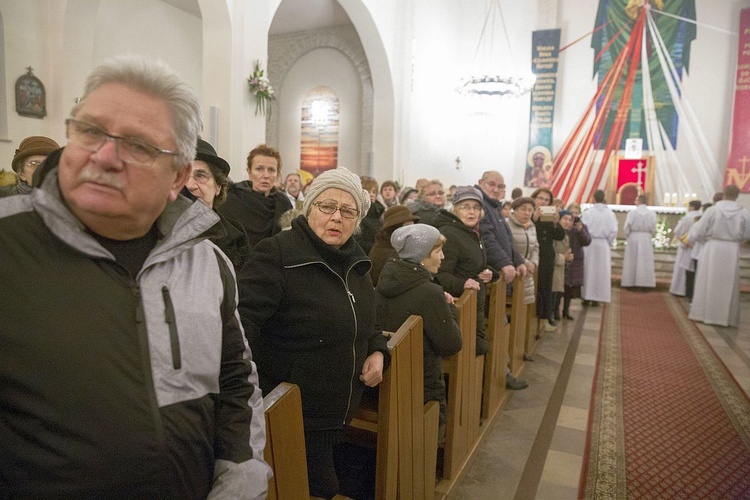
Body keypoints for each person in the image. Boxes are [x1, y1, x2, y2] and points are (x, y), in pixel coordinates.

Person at [0, 55, 269, 498]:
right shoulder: (9, 244)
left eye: (139, 146)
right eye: (90, 131)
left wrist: (238, 486)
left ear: (178, 175)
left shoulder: (206, 262)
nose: (104, 157)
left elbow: (236, 383)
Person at [237, 166, 390, 499]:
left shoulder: (356, 260)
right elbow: (240, 329)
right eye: (327, 206)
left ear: (358, 219)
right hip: (294, 413)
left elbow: (368, 320)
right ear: (309, 208)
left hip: (341, 408)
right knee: (319, 490)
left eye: (348, 211)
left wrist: (378, 350)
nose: (336, 217)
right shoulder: (277, 253)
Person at [375, 224, 462, 447]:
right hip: (420, 387)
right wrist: (449, 307)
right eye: (437, 251)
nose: (442, 257)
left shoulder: (383, 282)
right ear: (422, 256)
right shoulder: (429, 293)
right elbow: (451, 344)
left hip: (383, 383)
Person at [433, 186, 497, 356]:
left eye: (476, 207)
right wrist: (462, 283)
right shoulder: (450, 234)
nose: (471, 212)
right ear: (455, 209)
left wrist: (490, 273)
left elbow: (476, 264)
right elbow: (439, 275)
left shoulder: (472, 232)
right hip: (459, 309)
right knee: (472, 352)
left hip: (475, 305)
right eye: (465, 207)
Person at [185, 138, 252, 271]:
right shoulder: (154, 231)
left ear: (218, 187)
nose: (189, 185)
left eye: (200, 175)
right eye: (183, 176)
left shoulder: (236, 238)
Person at [688, 185, 750, 327]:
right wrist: (736, 241)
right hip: (732, 249)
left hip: (713, 247)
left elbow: (700, 230)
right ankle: (725, 318)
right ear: (737, 195)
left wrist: (705, 241)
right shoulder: (744, 212)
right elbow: (747, 234)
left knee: (708, 279)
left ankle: (704, 314)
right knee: (728, 282)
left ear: (723, 195)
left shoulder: (713, 210)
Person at [217, 143, 292, 248]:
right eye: (259, 169)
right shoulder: (231, 198)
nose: (265, 175)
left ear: (277, 173)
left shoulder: (283, 203)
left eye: (271, 170)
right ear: (249, 171)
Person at [476, 170, 527, 285]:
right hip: (490, 272)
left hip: (500, 269)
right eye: (491, 184)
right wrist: (504, 262)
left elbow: (507, 240)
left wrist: (518, 261)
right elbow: (486, 238)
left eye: (500, 186)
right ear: (480, 183)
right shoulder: (480, 204)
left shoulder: (494, 206)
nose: (496, 189)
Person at [530, 188, 566, 331]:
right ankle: (532, 319)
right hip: (533, 255)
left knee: (545, 288)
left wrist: (556, 223)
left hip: (547, 257)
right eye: (541, 198)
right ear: (534, 198)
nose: (543, 201)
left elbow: (559, 236)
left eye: (546, 200)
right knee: (534, 288)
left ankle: (544, 319)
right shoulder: (529, 211)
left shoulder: (551, 216)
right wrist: (534, 218)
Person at [581, 189, 618, 305]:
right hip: (603, 245)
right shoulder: (610, 214)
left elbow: (582, 229)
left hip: (589, 244)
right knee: (601, 272)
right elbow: (614, 231)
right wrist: (608, 242)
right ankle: (597, 298)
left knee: (588, 270)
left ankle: (586, 297)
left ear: (594, 198)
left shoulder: (588, 212)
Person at [369, 204, 419, 286]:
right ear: (396, 229)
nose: (413, 231)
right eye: (408, 227)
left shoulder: (386, 245)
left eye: (413, 226)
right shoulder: (392, 254)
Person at [621, 195, 657, 290]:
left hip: (634, 237)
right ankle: (645, 284)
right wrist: (649, 235)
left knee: (632, 260)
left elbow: (627, 227)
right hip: (646, 238)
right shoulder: (652, 213)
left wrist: (628, 235)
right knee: (645, 261)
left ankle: (631, 282)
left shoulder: (632, 213)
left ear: (639, 201)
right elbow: (654, 228)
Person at [562, 203, 591, 319]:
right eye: (572, 212)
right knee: (561, 286)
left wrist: (580, 230)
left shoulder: (581, 226)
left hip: (576, 259)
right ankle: (556, 311)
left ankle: (566, 310)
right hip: (564, 256)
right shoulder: (564, 223)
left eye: (576, 213)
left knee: (570, 288)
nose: (574, 215)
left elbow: (587, 241)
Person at [670, 199, 702, 297]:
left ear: (692, 207)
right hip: (696, 246)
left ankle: (679, 289)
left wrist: (682, 237)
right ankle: (691, 292)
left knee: (682, 267)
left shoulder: (687, 218)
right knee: (693, 269)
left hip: (685, 245)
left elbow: (677, 231)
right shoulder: (702, 217)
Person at [552, 210, 575, 319]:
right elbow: (550, 253)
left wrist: (568, 258)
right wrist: (563, 257)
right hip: (553, 269)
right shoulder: (555, 234)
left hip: (560, 269)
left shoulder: (566, 235)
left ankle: (555, 313)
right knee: (553, 294)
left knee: (558, 294)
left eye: (570, 220)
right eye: (565, 219)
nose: (568, 222)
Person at [354, 176, 385, 254]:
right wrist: (377, 248)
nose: (371, 195)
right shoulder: (356, 213)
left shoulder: (380, 212)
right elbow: (356, 241)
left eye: (374, 192)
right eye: (368, 191)